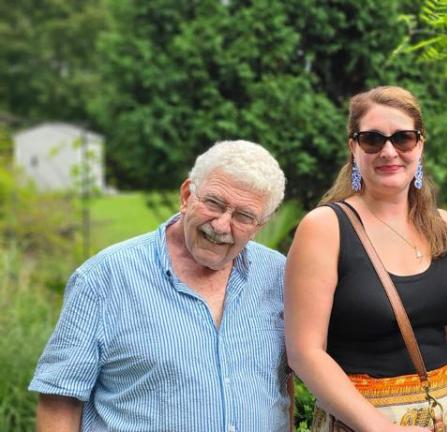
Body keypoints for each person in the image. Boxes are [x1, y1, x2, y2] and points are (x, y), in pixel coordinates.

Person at [29, 140, 290, 431]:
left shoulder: (278, 276)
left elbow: (282, 386)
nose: (220, 226)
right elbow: (59, 400)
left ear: (260, 226)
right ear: (187, 195)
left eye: (243, 216)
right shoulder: (104, 278)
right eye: (214, 203)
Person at [284, 86, 447, 432]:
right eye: (372, 140)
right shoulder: (325, 228)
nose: (389, 151)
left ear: (420, 145)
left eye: (403, 139)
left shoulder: (446, 228)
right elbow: (305, 351)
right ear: (353, 147)